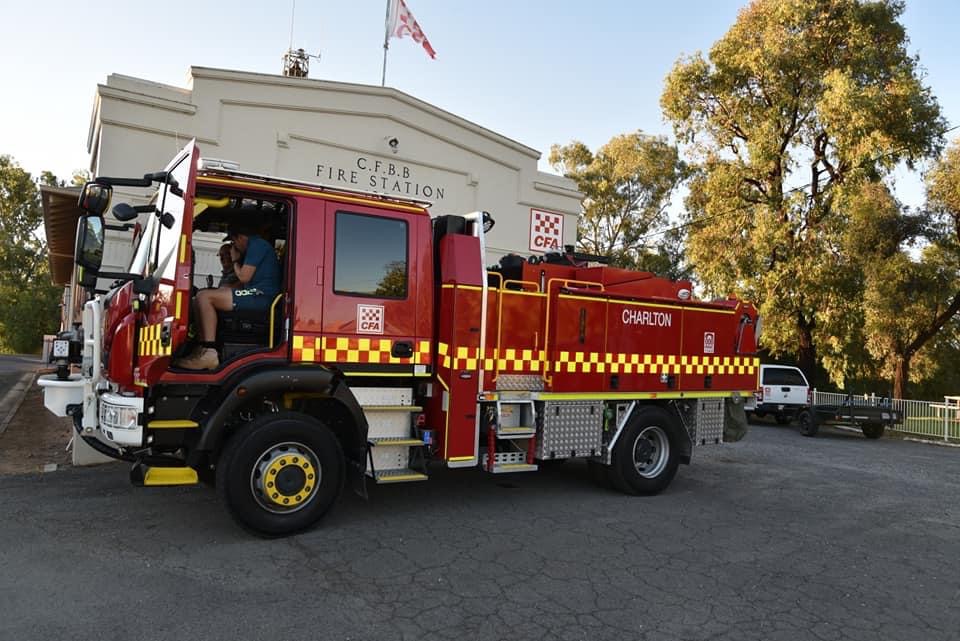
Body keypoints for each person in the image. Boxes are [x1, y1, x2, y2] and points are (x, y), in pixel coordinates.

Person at [174, 224, 281, 370]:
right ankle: (202, 349)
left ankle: (209, 352)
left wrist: (235, 260)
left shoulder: (257, 245)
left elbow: (243, 277)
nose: (233, 247)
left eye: (234, 242)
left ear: (241, 237)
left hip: (262, 296)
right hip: (256, 293)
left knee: (205, 297)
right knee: (201, 296)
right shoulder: (256, 247)